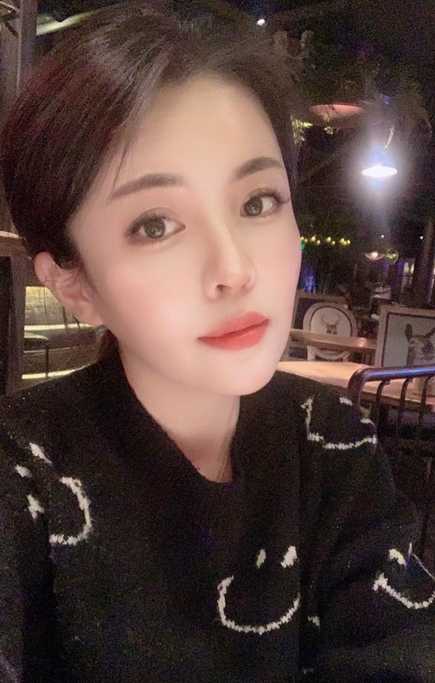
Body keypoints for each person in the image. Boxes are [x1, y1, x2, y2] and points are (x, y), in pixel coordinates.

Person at [0, 5, 434, 682]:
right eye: (154, 225)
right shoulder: (23, 472)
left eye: (258, 202)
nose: (234, 269)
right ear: (74, 284)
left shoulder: (332, 440)